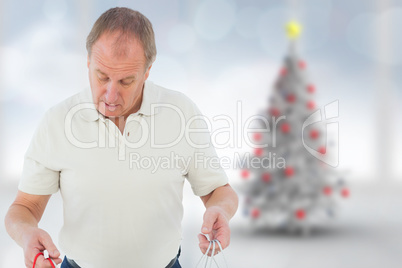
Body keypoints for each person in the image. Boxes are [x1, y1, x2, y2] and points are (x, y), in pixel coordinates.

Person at [4, 7, 238, 268]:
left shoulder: (181, 113)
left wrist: (221, 211)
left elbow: (220, 191)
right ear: (89, 62)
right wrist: (26, 234)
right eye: (102, 77)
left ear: (147, 71)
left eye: (126, 81)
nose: (110, 96)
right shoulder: (58, 121)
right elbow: (24, 207)